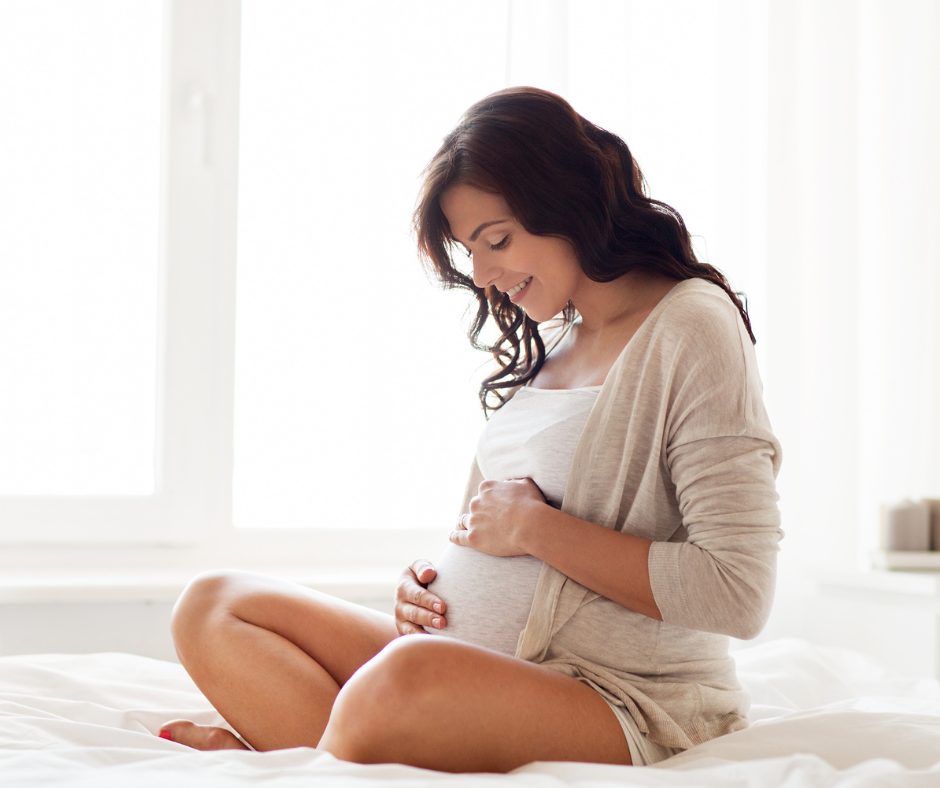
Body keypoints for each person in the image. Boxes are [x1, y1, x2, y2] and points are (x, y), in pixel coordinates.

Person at [155, 86, 783, 772]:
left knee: (399, 683)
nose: (483, 275)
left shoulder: (691, 325)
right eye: (471, 250)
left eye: (498, 241)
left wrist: (536, 531)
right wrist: (426, 590)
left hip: (619, 695)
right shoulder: (558, 339)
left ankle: (287, 760)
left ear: (568, 201)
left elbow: (738, 590)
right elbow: (487, 530)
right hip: (466, 666)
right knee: (213, 605)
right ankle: (319, 752)